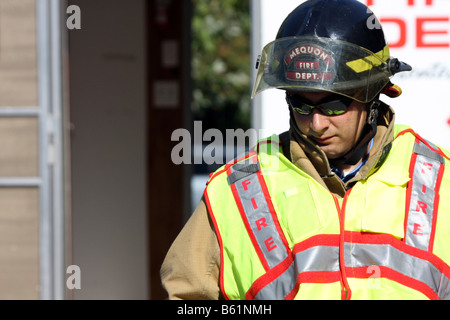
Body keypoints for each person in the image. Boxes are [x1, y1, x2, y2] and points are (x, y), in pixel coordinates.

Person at [161, 0, 450, 300]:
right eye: (301, 104)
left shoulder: (442, 179)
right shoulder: (236, 191)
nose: (316, 123)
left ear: (374, 94)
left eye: (334, 104)